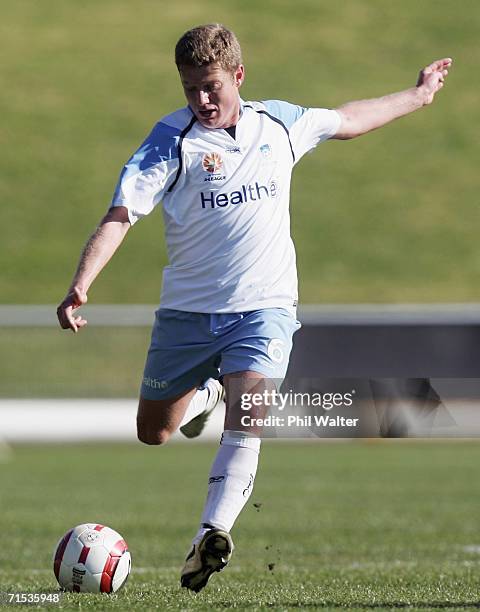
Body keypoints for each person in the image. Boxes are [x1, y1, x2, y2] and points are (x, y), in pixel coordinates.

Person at [57, 23, 452, 592]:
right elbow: (121, 213)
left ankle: (211, 534)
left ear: (238, 76)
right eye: (190, 88)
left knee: (251, 418)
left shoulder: (280, 125)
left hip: (263, 306)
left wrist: (416, 96)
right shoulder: (170, 141)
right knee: (154, 431)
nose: (201, 100)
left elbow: (348, 119)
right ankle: (205, 397)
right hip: (188, 314)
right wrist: (81, 283)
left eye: (211, 86)